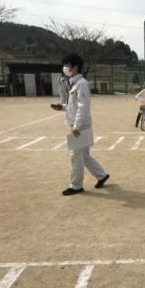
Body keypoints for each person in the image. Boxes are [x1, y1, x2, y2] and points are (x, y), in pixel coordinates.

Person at [51, 53, 110, 196]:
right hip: (78, 125)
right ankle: (101, 175)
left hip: (80, 126)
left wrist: (76, 127)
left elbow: (83, 107)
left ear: (75, 67)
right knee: (83, 154)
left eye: (67, 65)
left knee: (75, 156)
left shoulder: (81, 84)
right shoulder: (74, 83)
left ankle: (76, 186)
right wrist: (63, 106)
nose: (65, 68)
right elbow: (74, 106)